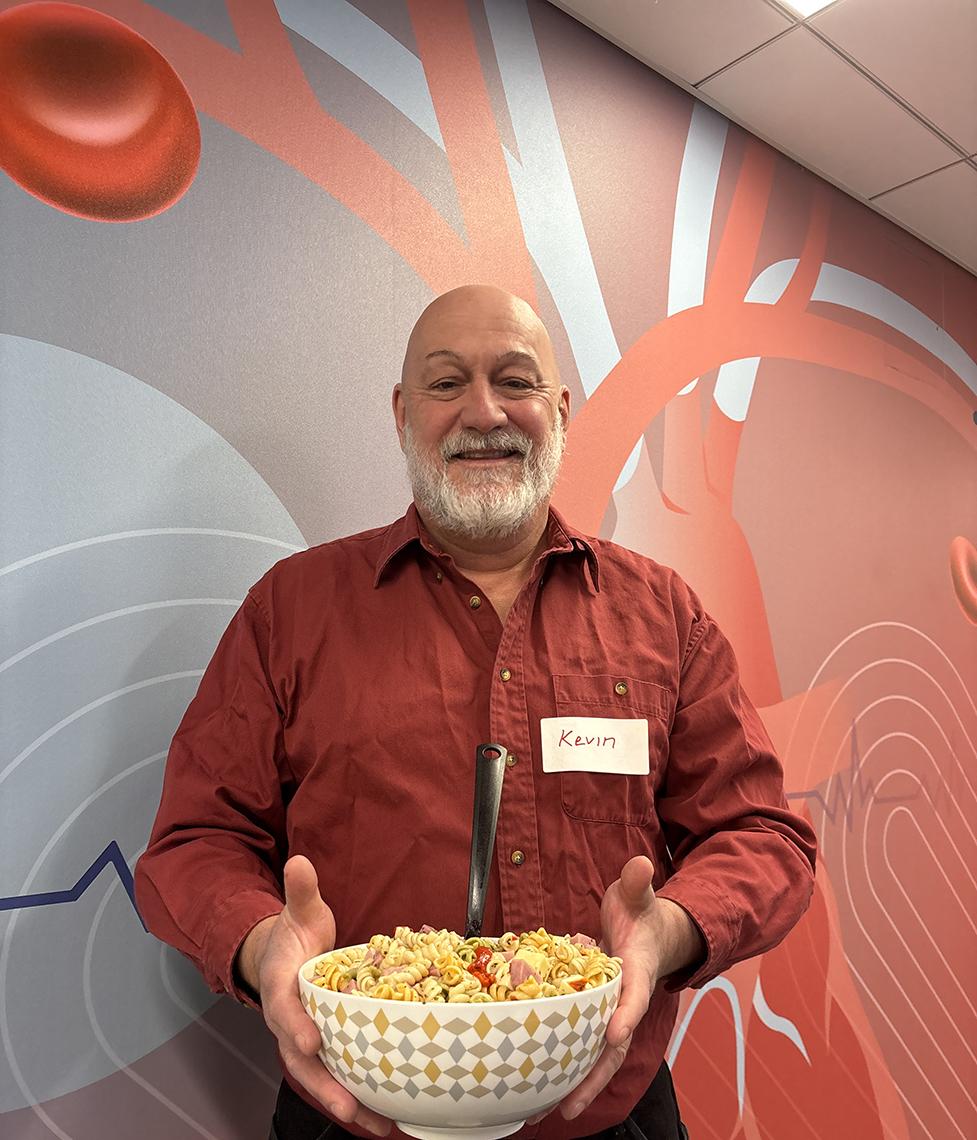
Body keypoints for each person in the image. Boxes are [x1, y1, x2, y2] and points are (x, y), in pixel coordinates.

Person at [135, 285, 817, 1140]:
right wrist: (260, 942)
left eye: (514, 381)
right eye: (447, 382)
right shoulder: (291, 611)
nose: (484, 412)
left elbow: (760, 835)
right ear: (402, 413)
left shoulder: (663, 615)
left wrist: (669, 931)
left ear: (558, 411)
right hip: (355, 1113)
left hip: (609, 1116)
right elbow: (196, 842)